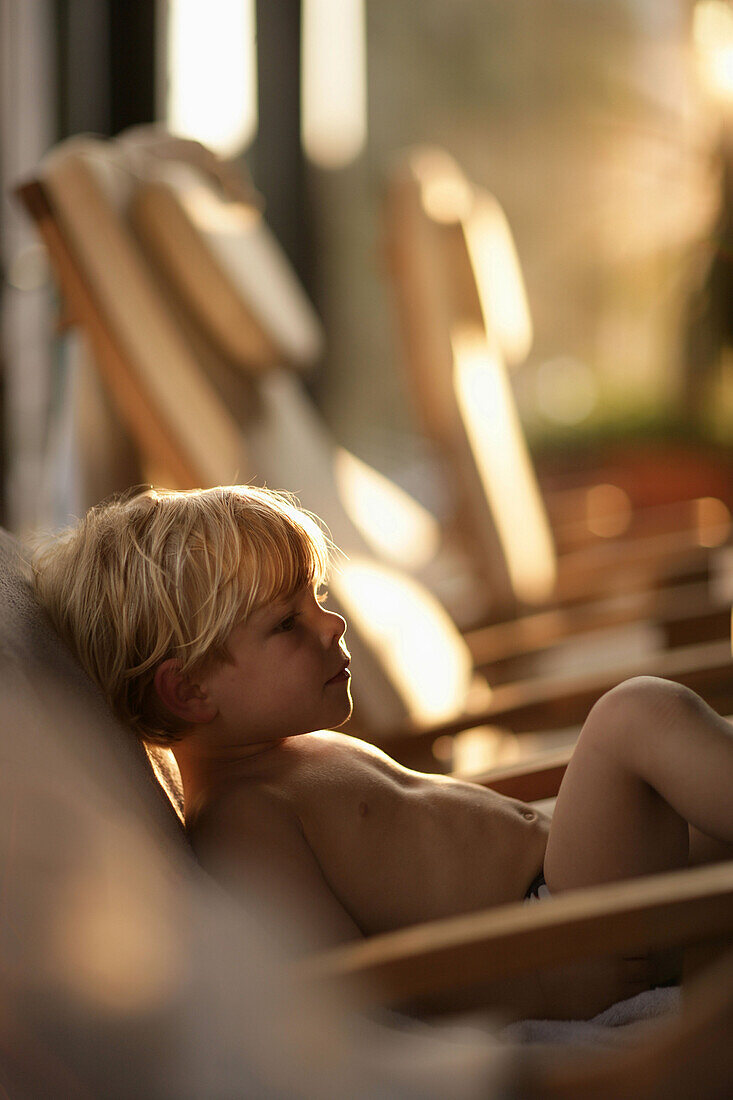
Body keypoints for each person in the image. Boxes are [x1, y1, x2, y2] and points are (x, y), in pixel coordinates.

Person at [32, 484, 733, 1018]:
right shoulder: (244, 820)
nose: (331, 623)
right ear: (188, 691)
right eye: (286, 624)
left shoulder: (293, 753)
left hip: (578, 900)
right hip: (562, 944)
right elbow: (349, 992)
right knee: (635, 715)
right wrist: (544, 982)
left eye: (318, 596)